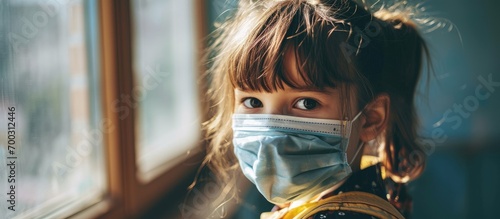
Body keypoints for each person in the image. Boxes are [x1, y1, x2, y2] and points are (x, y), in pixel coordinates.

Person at [202, 0, 431, 218]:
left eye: (307, 103)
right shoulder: (319, 199)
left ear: (370, 118)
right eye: (253, 102)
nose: (271, 133)